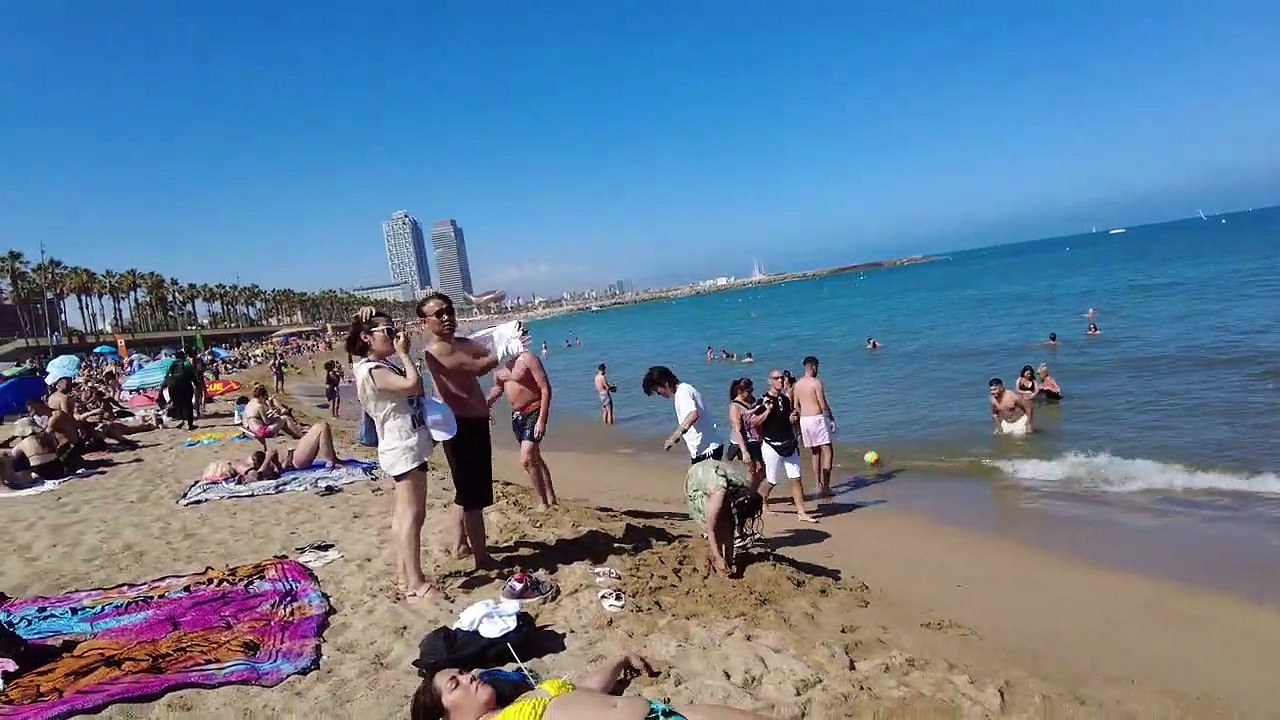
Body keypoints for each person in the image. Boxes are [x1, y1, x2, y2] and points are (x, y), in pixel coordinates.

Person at [350, 308, 447, 602]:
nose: (395, 337)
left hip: (405, 444)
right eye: (388, 332)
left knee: (405, 516)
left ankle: (405, 577)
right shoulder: (372, 370)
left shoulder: (376, 365)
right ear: (367, 338)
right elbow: (412, 385)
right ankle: (416, 582)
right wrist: (404, 354)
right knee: (412, 516)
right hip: (402, 447)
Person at [413, 653, 771, 720]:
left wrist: (619, 660)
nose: (469, 677)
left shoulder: (517, 705)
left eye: (464, 672)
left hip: (663, 714)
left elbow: (585, 690)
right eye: (455, 684)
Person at [416, 293, 502, 572]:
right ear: (425, 322)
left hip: (475, 420)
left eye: (449, 311)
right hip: (459, 425)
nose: (447, 317)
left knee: (466, 490)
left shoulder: (460, 343)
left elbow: (482, 350)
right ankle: (482, 557)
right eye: (438, 314)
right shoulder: (436, 352)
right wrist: (504, 350)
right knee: (473, 497)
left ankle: (459, 544)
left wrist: (498, 340)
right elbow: (478, 366)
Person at [487, 339, 558, 510]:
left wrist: (542, 419)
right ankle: (550, 495)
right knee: (535, 457)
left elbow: (545, 388)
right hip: (517, 416)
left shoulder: (528, 358)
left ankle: (543, 502)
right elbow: (498, 388)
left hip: (534, 409)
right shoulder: (500, 367)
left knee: (526, 459)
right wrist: (486, 403)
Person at [748, 369, 817, 522]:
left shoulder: (785, 399)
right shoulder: (763, 400)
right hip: (771, 445)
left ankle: (801, 512)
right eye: (776, 378)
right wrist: (767, 411)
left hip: (788, 444)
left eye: (782, 378)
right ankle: (763, 503)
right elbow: (752, 422)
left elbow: (787, 418)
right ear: (770, 381)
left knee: (796, 478)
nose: (780, 380)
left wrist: (793, 418)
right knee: (772, 480)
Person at [641, 366, 721, 464]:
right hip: (700, 450)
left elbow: (693, 415)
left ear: (665, 383)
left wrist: (674, 436)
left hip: (708, 449)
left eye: (658, 391)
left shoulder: (683, 392)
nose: (659, 395)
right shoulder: (681, 392)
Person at [793, 356, 837, 499]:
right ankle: (826, 486)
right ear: (813, 367)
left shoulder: (797, 384)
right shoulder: (816, 383)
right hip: (817, 418)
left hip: (804, 420)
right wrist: (831, 418)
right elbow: (822, 403)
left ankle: (818, 484)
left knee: (815, 452)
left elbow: (796, 406)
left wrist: (802, 418)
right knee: (827, 449)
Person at [727, 378, 764, 491]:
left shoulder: (751, 399)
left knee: (761, 470)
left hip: (754, 440)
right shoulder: (735, 407)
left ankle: (751, 492)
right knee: (752, 470)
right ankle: (747, 493)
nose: (751, 393)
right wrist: (744, 452)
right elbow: (737, 430)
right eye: (749, 391)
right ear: (740, 391)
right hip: (741, 442)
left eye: (752, 390)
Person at [162, 350, 200, 431]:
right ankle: (190, 424)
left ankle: (181, 421)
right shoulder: (186, 364)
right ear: (183, 356)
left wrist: (163, 387)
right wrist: (196, 384)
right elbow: (192, 376)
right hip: (185, 386)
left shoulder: (170, 364)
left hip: (173, 388)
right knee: (188, 405)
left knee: (178, 404)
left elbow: (167, 377)